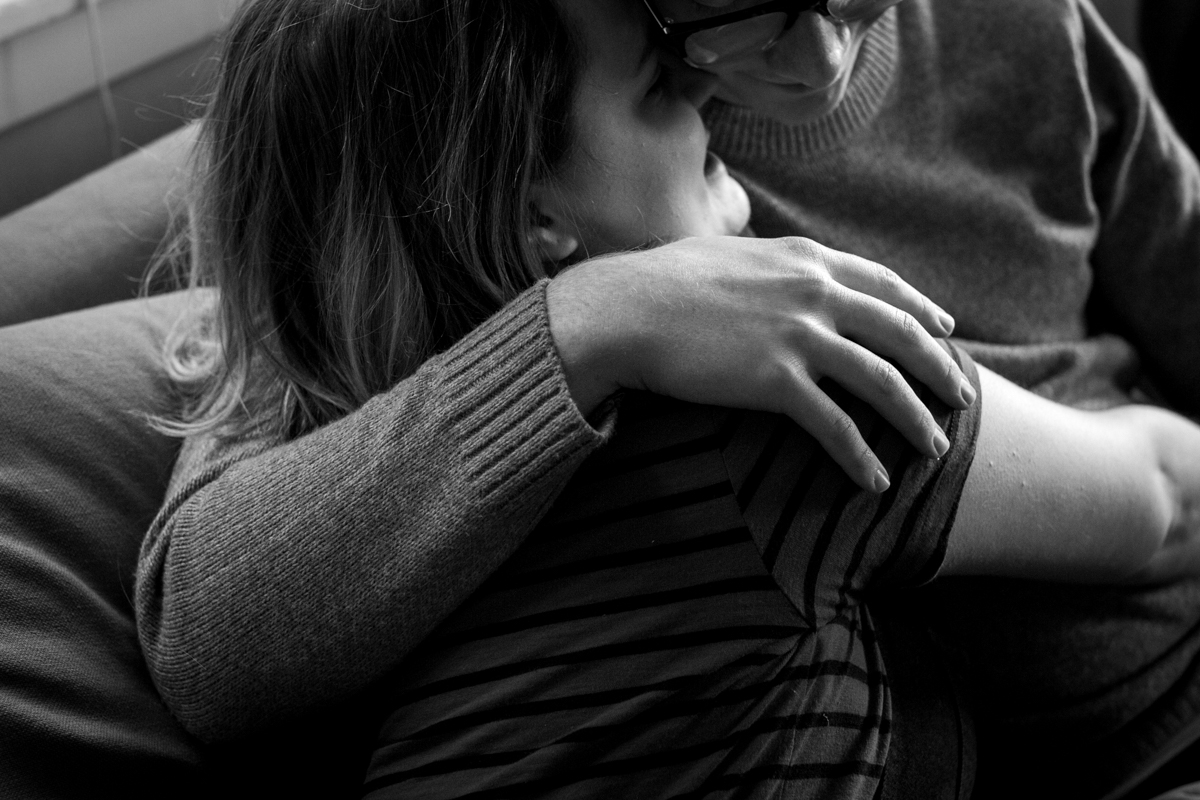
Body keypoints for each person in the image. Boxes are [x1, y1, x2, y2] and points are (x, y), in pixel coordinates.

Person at [134, 0, 1200, 796]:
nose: (824, 52)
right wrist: (587, 324)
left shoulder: (1022, 26)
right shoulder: (506, 84)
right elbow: (206, 634)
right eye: (736, 6)